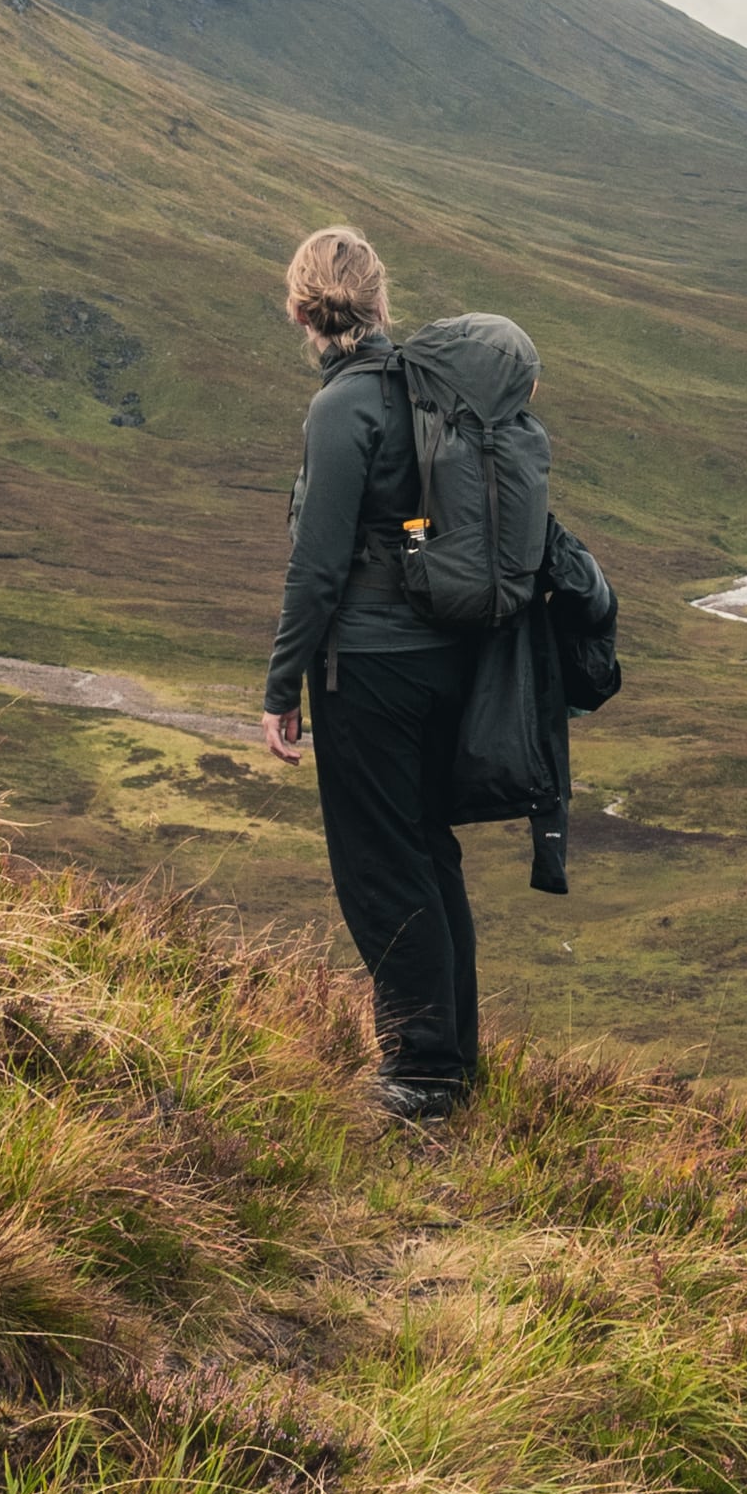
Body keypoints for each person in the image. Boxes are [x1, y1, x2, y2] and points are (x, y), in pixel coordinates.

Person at [256, 223, 495, 1121]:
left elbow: (316, 569)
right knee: (430, 855)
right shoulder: (423, 391)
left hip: (370, 670)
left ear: (301, 308)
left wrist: (283, 688)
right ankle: (453, 1063)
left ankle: (422, 1078)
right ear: (380, 301)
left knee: (381, 869)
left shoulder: (339, 408)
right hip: (446, 660)